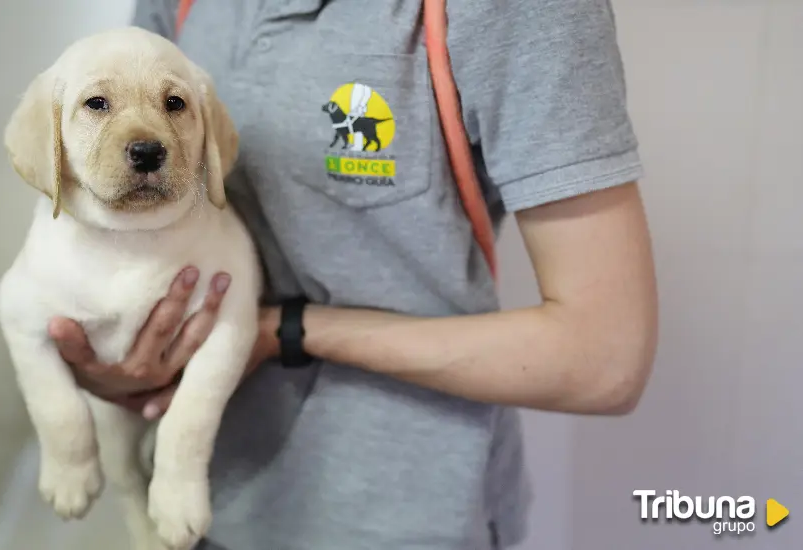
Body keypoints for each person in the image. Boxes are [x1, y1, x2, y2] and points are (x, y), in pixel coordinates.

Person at [48, 1, 659, 548]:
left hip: (404, 514)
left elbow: (603, 358)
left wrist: (282, 331)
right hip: (203, 501)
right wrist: (118, 359)